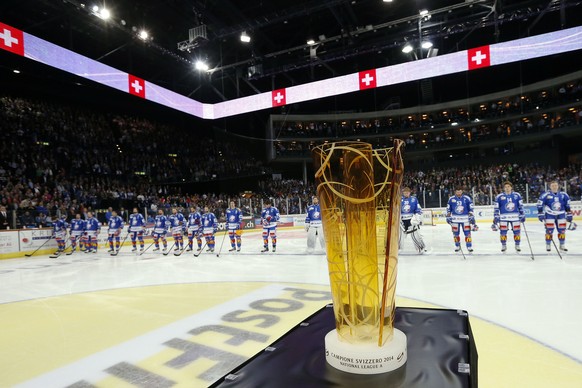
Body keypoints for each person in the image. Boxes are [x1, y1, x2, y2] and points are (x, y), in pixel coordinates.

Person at [537, 180, 572, 252]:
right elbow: (539, 204)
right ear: (550, 186)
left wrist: (569, 213)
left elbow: (567, 205)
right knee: (549, 230)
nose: (554, 187)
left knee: (562, 230)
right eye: (553, 186)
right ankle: (548, 245)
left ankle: (562, 245)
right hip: (550, 215)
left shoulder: (564, 195)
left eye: (555, 185)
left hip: (561, 214)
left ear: (558, 186)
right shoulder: (545, 195)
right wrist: (540, 213)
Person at [492, 181, 525, 252]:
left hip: (515, 217)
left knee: (517, 232)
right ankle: (503, 245)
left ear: (511, 187)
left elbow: (521, 206)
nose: (507, 188)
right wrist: (496, 215)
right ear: (503, 188)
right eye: (505, 187)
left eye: (508, 187)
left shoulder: (517, 195)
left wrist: (522, 214)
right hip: (504, 218)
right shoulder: (499, 197)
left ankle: (517, 245)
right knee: (503, 232)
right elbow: (496, 207)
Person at [446, 186, 475, 253]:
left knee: (467, 234)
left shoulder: (467, 198)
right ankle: (457, 246)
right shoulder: (451, 199)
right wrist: (448, 215)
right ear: (455, 191)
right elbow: (448, 209)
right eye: (457, 191)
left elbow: (471, 208)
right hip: (455, 219)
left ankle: (469, 246)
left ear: (462, 191)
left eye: (460, 191)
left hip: (465, 219)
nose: (458, 192)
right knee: (455, 234)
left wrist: (471, 215)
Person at [399, 187, 426, 254]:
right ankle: (398, 249)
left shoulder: (414, 199)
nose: (406, 194)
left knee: (415, 234)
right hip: (402, 220)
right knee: (400, 235)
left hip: (411, 220)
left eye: (407, 192)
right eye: (404, 193)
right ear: (403, 193)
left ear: (409, 192)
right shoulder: (399, 199)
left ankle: (421, 248)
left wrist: (417, 218)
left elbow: (418, 209)